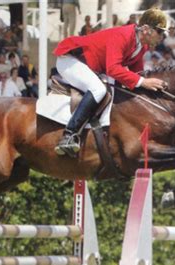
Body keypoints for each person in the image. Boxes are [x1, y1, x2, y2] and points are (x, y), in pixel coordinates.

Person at [53, 7, 168, 157]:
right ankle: (69, 135)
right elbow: (113, 69)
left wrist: (152, 85)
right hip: (71, 60)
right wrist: (143, 81)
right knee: (98, 90)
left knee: (118, 91)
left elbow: (136, 74)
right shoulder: (123, 35)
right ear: (146, 29)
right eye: (160, 32)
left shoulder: (142, 46)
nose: (162, 37)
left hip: (93, 66)